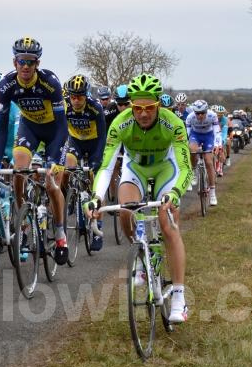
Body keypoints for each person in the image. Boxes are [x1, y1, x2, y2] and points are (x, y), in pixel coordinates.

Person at [86, 73, 191, 323]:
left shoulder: (173, 123)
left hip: (166, 169)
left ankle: (179, 296)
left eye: (150, 108)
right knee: (126, 210)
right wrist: (96, 197)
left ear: (158, 104)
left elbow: (185, 167)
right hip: (136, 170)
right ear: (131, 106)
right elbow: (106, 166)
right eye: (138, 108)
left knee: (168, 223)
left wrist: (175, 193)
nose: (143, 114)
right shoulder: (120, 123)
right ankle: (141, 255)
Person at [0, 37, 69, 265]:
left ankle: (60, 234)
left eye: (31, 62)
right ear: (14, 62)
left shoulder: (50, 82)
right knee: (18, 169)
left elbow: (62, 126)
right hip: (30, 128)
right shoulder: (7, 85)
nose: (25, 66)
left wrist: (54, 159)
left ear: (37, 64)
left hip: (54, 131)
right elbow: (1, 126)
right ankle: (23, 219)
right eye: (21, 61)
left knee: (52, 184)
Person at [63, 74, 106, 251]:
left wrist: (98, 159)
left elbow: (102, 136)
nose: (76, 100)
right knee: (67, 167)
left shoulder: (95, 107)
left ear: (86, 95)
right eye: (73, 96)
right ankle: (69, 195)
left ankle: (98, 229)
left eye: (80, 97)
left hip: (94, 143)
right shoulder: (65, 106)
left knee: (96, 187)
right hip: (76, 142)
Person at [186, 100, 220, 206]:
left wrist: (217, 145)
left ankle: (212, 193)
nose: (200, 115)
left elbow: (217, 131)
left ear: (206, 111)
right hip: (195, 135)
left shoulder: (212, 115)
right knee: (192, 151)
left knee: (209, 162)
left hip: (208, 136)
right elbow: (187, 134)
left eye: (202, 113)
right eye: (197, 113)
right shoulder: (190, 117)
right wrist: (186, 145)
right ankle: (194, 171)